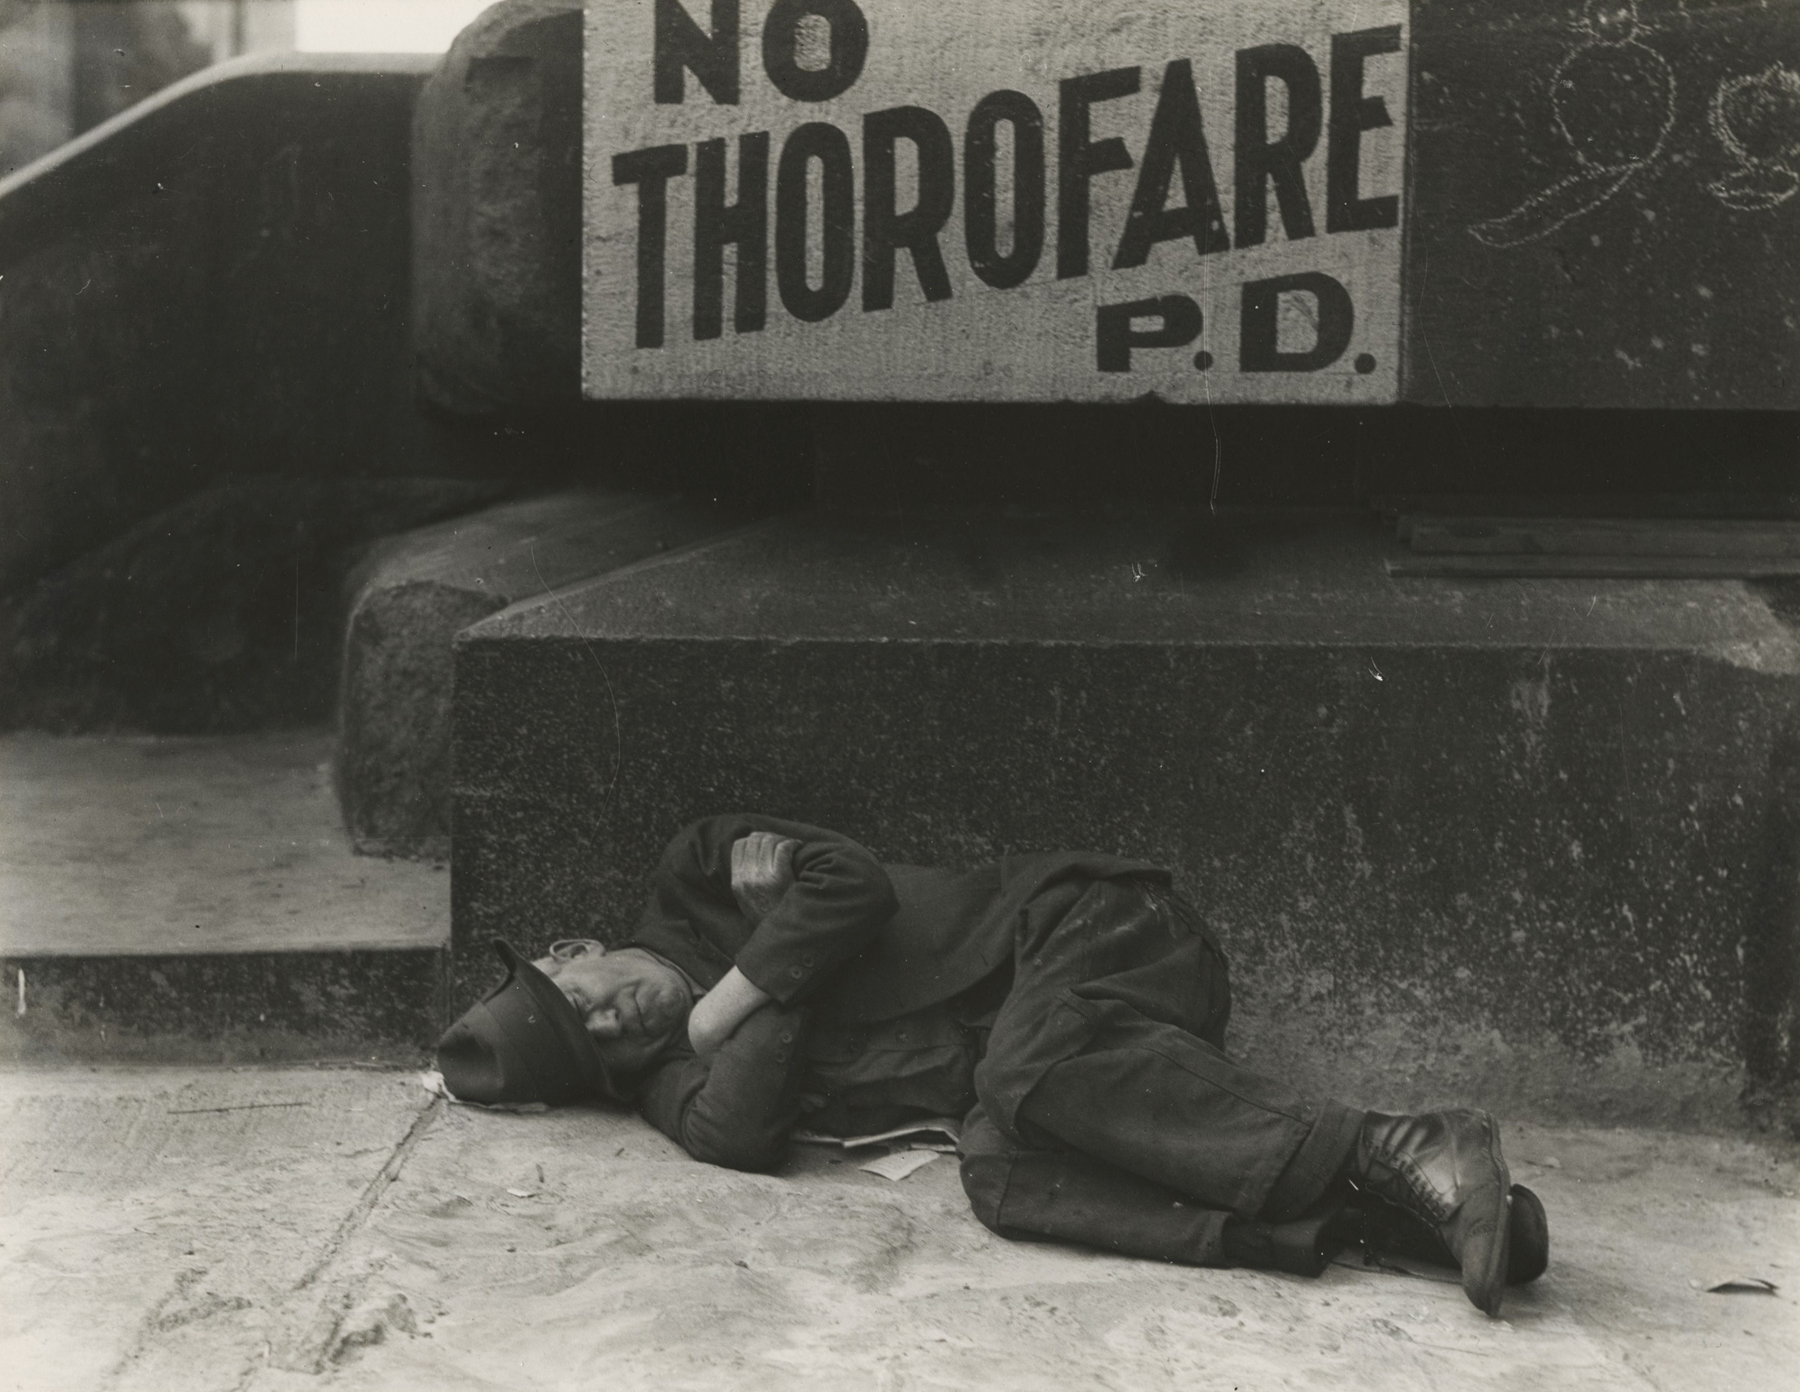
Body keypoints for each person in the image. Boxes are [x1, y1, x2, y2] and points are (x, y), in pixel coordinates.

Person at [437, 815, 1547, 1316]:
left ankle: (1395, 1143)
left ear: (573, 951)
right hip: (1081, 1065)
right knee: (1003, 1175)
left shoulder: (693, 870)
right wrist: (770, 976)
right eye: (599, 1049)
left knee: (1025, 1072)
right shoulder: (665, 1081)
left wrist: (748, 969)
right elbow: (737, 1132)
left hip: (1095, 932)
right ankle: (1374, 1218)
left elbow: (850, 883)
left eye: (585, 1000)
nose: (619, 1023)